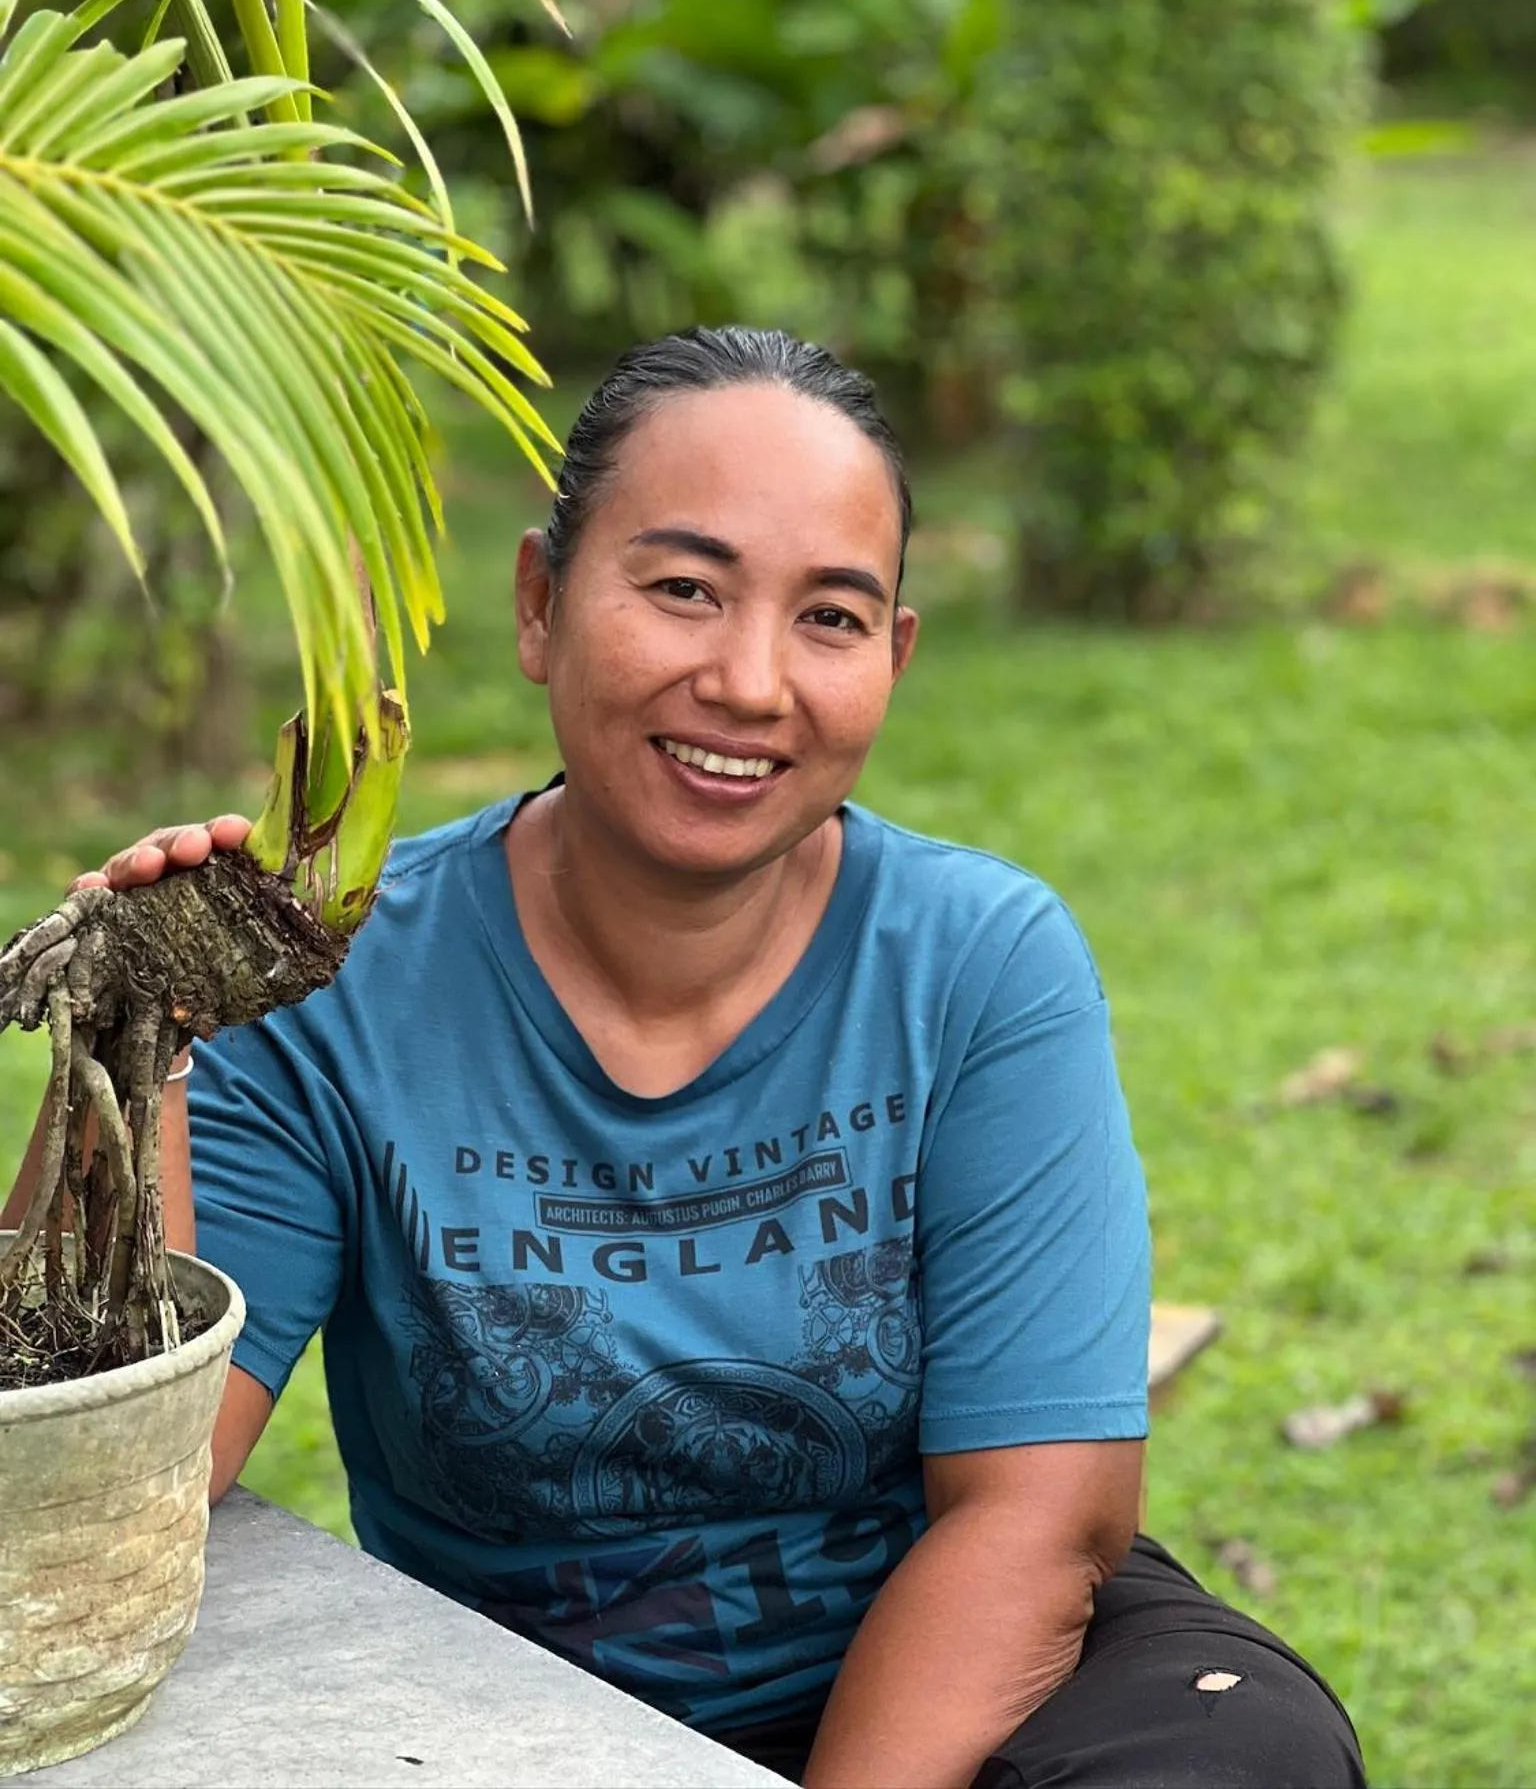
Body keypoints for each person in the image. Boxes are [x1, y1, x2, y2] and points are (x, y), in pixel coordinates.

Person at [6, 328, 1365, 1788]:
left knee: (1246, 1748)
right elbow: (101, 1496)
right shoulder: (331, 985)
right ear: (540, 603)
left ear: (893, 660)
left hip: (944, 1675)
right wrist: (130, 1034)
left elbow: (1038, 1522)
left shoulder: (979, 965)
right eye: (683, 590)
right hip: (509, 1704)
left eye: (832, 619)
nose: (750, 681)